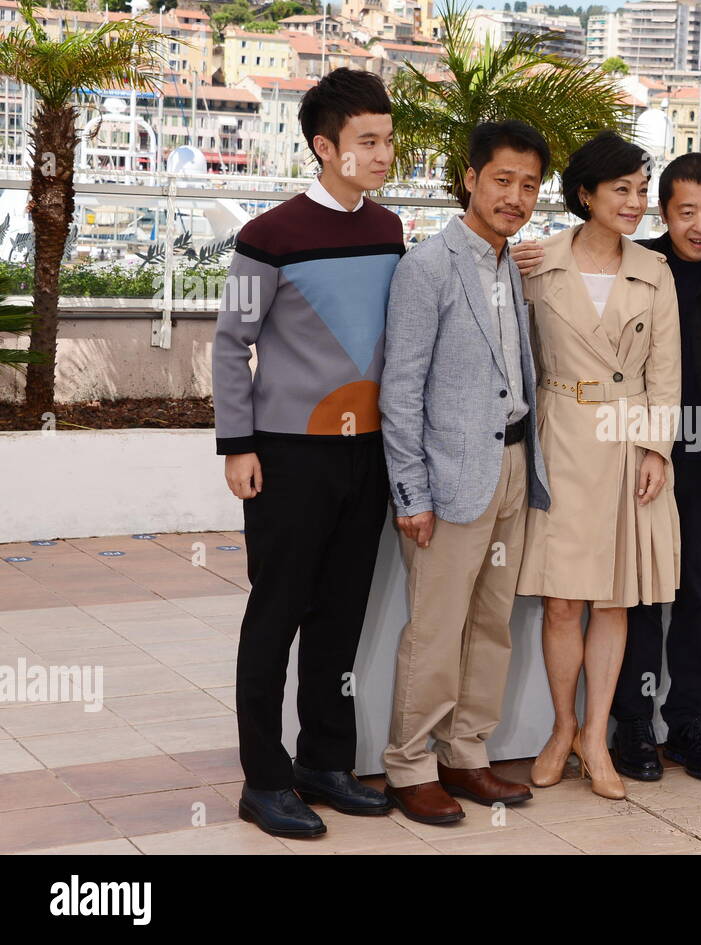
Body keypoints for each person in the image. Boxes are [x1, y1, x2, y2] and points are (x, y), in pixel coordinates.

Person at [517, 153, 701, 782]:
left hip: (686, 453)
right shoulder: (547, 260)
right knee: (597, 601)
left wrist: (654, 448)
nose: (699, 222)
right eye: (683, 209)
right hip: (575, 438)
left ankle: (684, 724)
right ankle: (622, 726)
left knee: (688, 594)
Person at [212, 68, 403, 838]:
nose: (384, 152)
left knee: (341, 617)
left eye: (388, 139)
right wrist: (237, 445)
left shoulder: (389, 229)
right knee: (276, 613)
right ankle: (263, 779)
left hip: (368, 454)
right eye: (368, 140)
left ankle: (325, 761)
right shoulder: (270, 234)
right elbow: (231, 344)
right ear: (326, 147)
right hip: (289, 456)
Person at [378, 120, 553, 825]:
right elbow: (401, 388)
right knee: (435, 627)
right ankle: (409, 763)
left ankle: (467, 753)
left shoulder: (510, 261)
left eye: (530, 185)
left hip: (512, 465)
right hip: (450, 479)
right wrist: (411, 491)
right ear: (471, 178)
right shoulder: (427, 265)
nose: (516, 196)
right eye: (503, 180)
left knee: (491, 624)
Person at [514, 131, 681, 800]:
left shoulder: (654, 271)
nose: (636, 203)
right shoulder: (535, 263)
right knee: (562, 601)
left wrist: (655, 448)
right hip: (559, 432)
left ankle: (595, 736)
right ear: (585, 194)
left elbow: (667, 373)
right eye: (623, 190)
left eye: (642, 191)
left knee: (614, 599)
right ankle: (560, 729)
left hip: (625, 436)